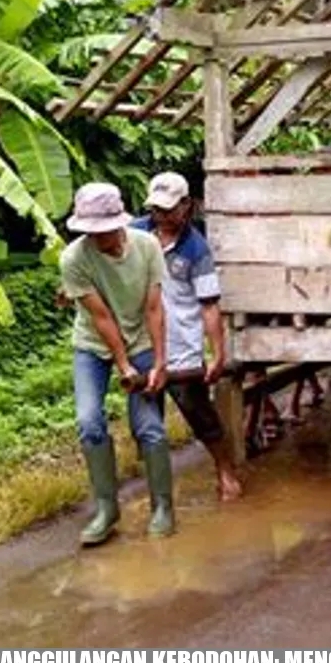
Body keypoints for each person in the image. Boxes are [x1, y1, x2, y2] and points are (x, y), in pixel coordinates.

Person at [59, 182, 171, 546]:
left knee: (149, 426)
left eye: (102, 230)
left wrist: (158, 362)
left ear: (118, 223)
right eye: (89, 231)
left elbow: (154, 307)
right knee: (89, 421)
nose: (96, 238)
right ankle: (107, 509)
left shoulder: (147, 246)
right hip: (93, 344)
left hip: (140, 337)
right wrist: (123, 366)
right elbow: (102, 318)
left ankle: (162, 507)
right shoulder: (74, 259)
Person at [131, 172, 243, 502]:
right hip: (142, 344)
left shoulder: (196, 250)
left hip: (182, 347)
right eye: (156, 210)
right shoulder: (134, 234)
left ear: (187, 207)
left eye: (169, 210)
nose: (162, 217)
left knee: (199, 415)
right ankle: (158, 491)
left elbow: (209, 306)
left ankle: (225, 469)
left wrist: (217, 352)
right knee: (146, 421)